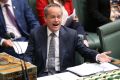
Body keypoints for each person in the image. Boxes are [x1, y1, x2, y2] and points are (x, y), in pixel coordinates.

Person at [24, 3, 112, 77]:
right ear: (45, 19)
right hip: (43, 75)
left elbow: (84, 50)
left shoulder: (71, 34)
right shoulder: (35, 34)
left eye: (59, 17)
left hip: (65, 75)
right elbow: (28, 55)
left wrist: (97, 56)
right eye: (52, 17)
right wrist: (28, 67)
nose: (56, 20)